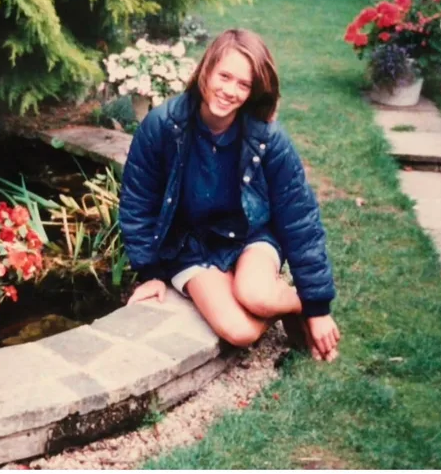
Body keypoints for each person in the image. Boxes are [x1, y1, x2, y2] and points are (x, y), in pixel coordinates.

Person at [119, 28, 340, 362]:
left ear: (253, 91)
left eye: (243, 84)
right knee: (240, 331)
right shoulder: (162, 126)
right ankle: (288, 303)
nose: (229, 91)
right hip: (190, 246)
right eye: (225, 76)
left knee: (256, 295)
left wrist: (318, 306)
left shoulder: (267, 137)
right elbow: (138, 203)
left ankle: (298, 303)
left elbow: (299, 218)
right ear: (206, 69)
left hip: (250, 234)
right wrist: (149, 272)